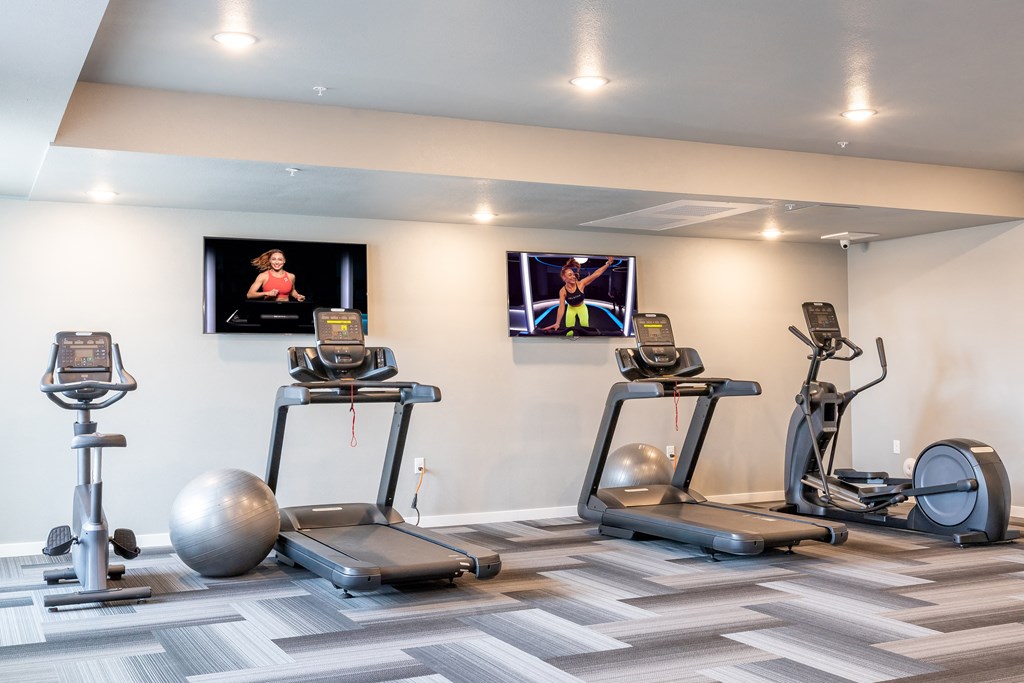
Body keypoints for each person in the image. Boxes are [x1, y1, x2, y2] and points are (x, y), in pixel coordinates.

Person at [541, 256, 615, 333]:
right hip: (571, 309)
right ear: (564, 278)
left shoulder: (581, 284)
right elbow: (561, 307)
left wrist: (608, 263)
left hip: (582, 308)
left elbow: (596, 274)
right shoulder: (563, 291)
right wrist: (557, 323)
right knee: (569, 332)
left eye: (573, 274)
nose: (573, 276)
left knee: (585, 330)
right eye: (570, 275)